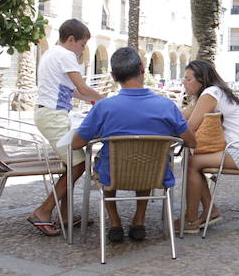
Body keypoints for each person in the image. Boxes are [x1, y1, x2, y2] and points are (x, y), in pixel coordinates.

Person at [71, 47, 196, 242]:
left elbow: (76, 143)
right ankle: (139, 220)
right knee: (149, 159)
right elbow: (191, 141)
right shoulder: (166, 105)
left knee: (105, 160)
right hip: (154, 175)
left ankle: (114, 223)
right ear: (142, 69)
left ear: (113, 76)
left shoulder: (104, 107)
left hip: (112, 174)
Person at [28, 19, 106, 237]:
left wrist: (95, 101)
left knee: (71, 163)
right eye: (82, 45)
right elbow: (81, 87)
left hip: (49, 114)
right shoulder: (65, 55)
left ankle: (65, 214)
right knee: (78, 166)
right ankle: (43, 211)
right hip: (53, 116)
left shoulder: (51, 54)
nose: (82, 50)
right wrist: (106, 101)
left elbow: (74, 92)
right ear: (71, 39)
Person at [177, 60, 239, 233]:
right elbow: (181, 116)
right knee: (191, 161)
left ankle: (192, 219)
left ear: (201, 80)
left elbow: (190, 126)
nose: (183, 82)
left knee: (191, 163)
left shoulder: (211, 94)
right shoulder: (211, 93)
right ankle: (208, 211)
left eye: (188, 79)